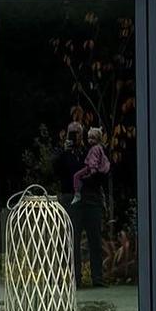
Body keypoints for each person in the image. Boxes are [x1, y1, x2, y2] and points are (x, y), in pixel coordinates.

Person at [71, 126, 110, 290]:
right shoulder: (74, 153)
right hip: (83, 201)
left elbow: (100, 174)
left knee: (94, 241)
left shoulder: (94, 152)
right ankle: (76, 278)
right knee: (75, 241)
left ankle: (97, 277)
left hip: (91, 200)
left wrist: (91, 177)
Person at [51, 122, 87, 284]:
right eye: (72, 133)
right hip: (68, 196)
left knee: (79, 238)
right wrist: (64, 152)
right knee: (68, 237)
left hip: (84, 195)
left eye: (78, 133)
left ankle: (78, 277)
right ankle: (67, 277)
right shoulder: (62, 152)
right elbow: (55, 170)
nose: (75, 136)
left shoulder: (86, 152)